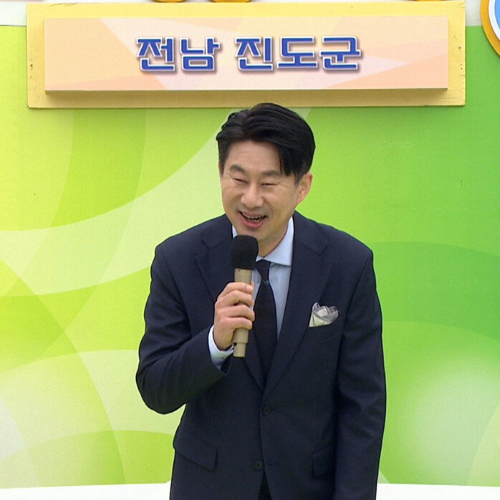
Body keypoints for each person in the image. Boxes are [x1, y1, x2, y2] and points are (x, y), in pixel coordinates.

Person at [136, 103, 386, 500]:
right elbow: (156, 389)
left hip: (308, 488)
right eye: (238, 179)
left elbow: (363, 404)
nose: (251, 199)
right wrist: (214, 342)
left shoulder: (347, 264)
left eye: (269, 183)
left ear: (303, 186)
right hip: (211, 488)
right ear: (221, 173)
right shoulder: (178, 260)